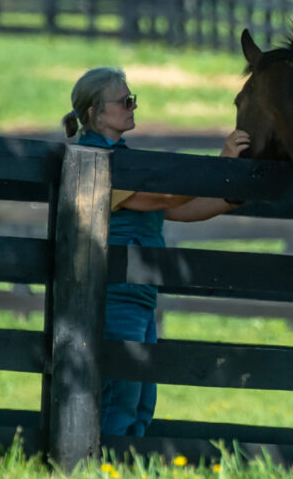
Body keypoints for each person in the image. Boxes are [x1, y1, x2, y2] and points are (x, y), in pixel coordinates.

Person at [63, 66, 249, 437]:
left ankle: (125, 476)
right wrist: (221, 164)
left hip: (139, 295)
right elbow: (165, 196)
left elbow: (176, 209)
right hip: (115, 296)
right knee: (121, 400)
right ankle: (102, 475)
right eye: (125, 101)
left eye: (133, 99)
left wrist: (227, 198)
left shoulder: (123, 158)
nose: (133, 107)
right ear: (94, 114)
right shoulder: (96, 162)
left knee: (142, 401)